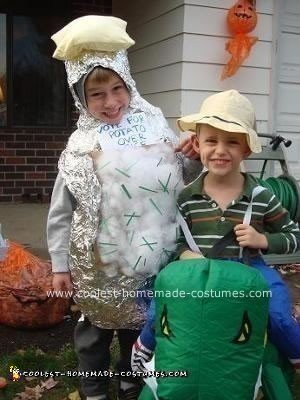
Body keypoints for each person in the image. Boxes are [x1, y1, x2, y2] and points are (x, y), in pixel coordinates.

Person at [47, 15, 200, 400]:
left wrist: (194, 157)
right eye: (97, 94)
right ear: (80, 97)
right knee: (94, 332)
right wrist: (60, 265)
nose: (111, 102)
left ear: (129, 84)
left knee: (140, 326)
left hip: (147, 256)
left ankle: (132, 382)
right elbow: (61, 212)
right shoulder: (79, 147)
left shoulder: (154, 126)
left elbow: (181, 178)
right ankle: (94, 390)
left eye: (118, 88)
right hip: (97, 262)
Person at [132, 89, 300, 375]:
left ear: (246, 149)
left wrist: (263, 240)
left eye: (232, 142)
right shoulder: (187, 197)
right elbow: (173, 241)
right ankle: (145, 348)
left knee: (277, 312)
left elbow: (293, 236)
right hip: (198, 270)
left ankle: (294, 355)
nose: (220, 150)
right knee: (163, 303)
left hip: (249, 269)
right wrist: (184, 254)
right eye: (211, 141)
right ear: (197, 144)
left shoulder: (260, 195)